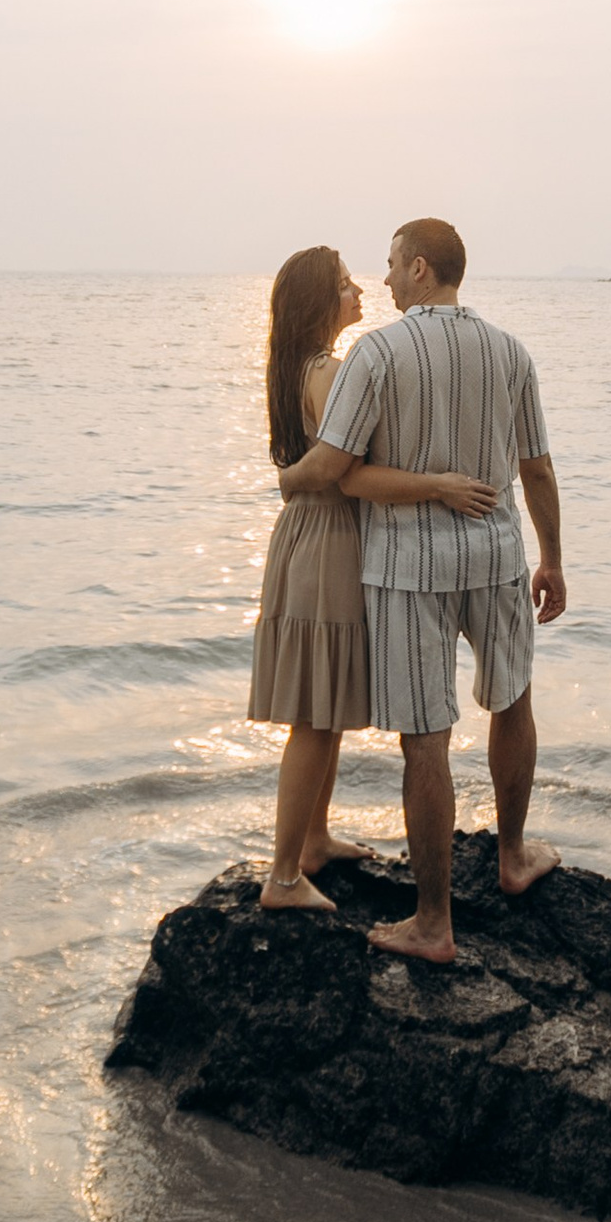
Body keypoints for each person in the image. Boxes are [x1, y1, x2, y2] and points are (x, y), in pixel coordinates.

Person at [275, 219, 565, 965]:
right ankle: (513, 856)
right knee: (513, 701)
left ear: (423, 269)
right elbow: (535, 468)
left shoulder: (377, 352)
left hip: (407, 568)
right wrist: (553, 559)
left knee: (426, 741)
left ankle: (433, 922)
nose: (385, 278)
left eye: (394, 264)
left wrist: (286, 479)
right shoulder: (511, 351)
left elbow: (338, 469)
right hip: (499, 554)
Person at [249, 245, 494, 912]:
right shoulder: (327, 370)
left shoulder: (302, 367)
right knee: (315, 716)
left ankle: (313, 843)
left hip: (318, 535)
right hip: (327, 537)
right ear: (320, 301)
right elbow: (337, 466)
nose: (361, 291)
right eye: (345, 285)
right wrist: (438, 485)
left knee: (323, 706)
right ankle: (283, 877)